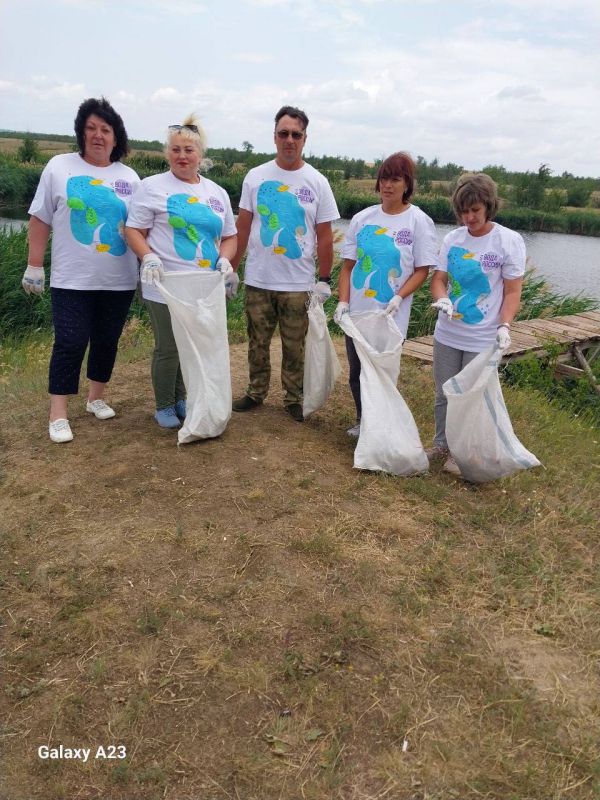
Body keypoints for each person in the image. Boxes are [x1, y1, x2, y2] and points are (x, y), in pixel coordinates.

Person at [23, 97, 140, 444]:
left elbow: (141, 227)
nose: (98, 135)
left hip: (119, 279)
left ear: (116, 137)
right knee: (71, 342)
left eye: (105, 129)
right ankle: (58, 412)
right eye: (91, 128)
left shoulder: (130, 178)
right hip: (71, 278)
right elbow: (40, 217)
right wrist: (34, 264)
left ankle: (95, 397)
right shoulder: (59, 167)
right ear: (81, 133)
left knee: (106, 341)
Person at [125, 115, 237, 429]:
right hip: (165, 283)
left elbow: (230, 235)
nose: (182, 156)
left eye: (188, 150)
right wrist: (148, 257)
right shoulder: (152, 187)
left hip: (203, 285)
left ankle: (181, 399)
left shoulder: (216, 193)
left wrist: (225, 261)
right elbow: (133, 230)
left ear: (201, 156)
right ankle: (163, 405)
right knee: (169, 346)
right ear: (167, 154)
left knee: (193, 344)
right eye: (176, 150)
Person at [230, 105, 339, 423]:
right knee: (257, 341)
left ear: (305, 138)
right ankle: (255, 391)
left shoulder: (317, 182)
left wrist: (324, 279)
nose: (289, 139)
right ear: (274, 137)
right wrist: (232, 270)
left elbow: (325, 236)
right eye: (283, 133)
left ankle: (293, 397)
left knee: (295, 345)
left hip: (298, 283)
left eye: (296, 134)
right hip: (259, 280)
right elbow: (243, 227)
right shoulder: (256, 177)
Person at [334, 152, 438, 437]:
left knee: (382, 371)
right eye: (384, 178)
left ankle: (382, 427)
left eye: (395, 179)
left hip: (391, 313)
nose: (388, 185)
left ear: (407, 184)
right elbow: (347, 267)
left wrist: (398, 296)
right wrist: (343, 301)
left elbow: (422, 269)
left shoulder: (419, 222)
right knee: (357, 371)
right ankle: (362, 420)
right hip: (358, 310)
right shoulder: (362, 218)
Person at [429, 173, 526, 475]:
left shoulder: (507, 241)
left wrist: (504, 326)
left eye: (475, 211)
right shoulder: (453, 239)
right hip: (448, 333)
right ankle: (441, 443)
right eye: (463, 212)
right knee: (444, 391)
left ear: (488, 207)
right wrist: (442, 298)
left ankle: (461, 453)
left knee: (471, 398)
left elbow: (512, 291)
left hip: (482, 337)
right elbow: (439, 280)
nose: (468, 218)